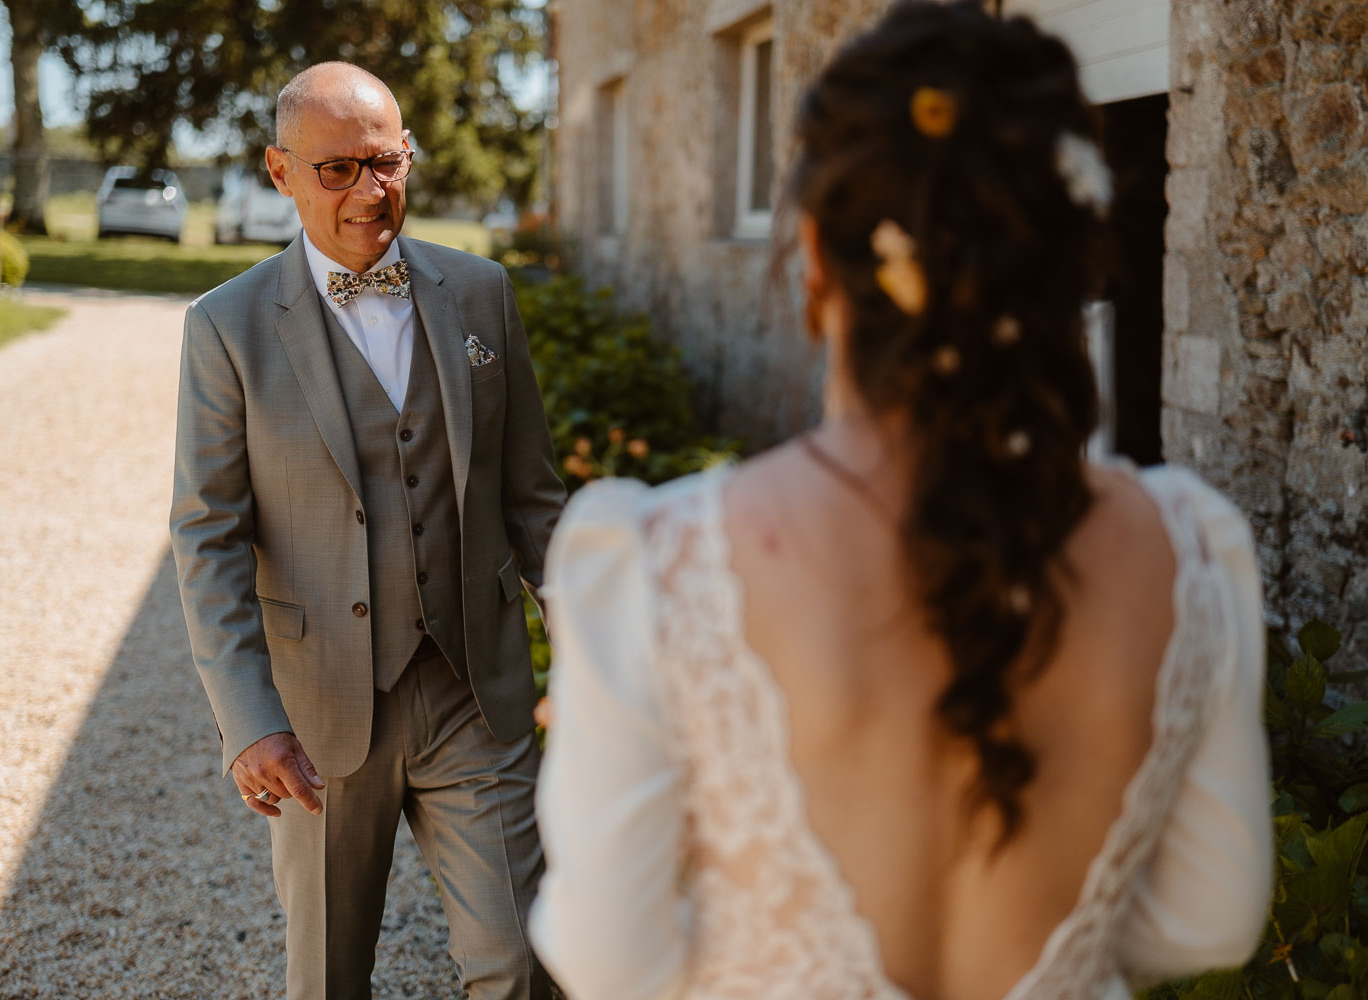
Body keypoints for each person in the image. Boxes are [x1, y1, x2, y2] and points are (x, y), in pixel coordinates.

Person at [529, 3, 1273, 998]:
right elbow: (1209, 917)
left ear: (817, 265)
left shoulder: (659, 561)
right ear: (1057, 263)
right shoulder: (1187, 547)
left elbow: (609, 962)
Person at [170, 61, 564, 1000]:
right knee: (330, 977)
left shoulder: (480, 294)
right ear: (280, 170)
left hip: (475, 690)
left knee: (518, 961)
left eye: (383, 163)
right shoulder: (225, 328)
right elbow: (208, 533)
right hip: (319, 718)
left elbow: (533, 496)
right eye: (335, 169)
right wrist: (249, 722)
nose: (366, 191)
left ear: (409, 159)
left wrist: (595, 645)